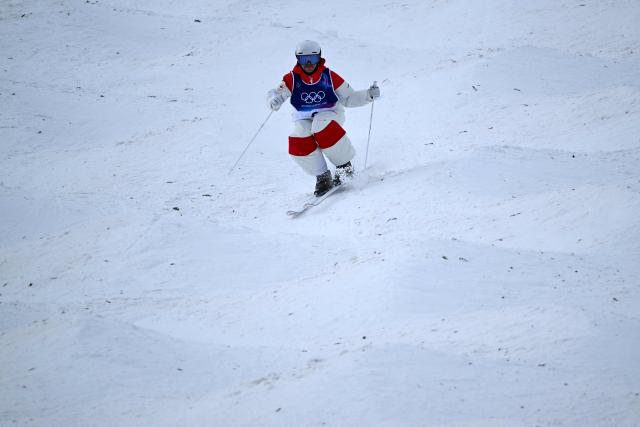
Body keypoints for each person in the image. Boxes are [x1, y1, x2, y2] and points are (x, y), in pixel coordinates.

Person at [267, 40, 380, 196]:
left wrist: (368, 95)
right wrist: (274, 100)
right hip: (304, 117)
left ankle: (344, 167)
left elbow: (349, 98)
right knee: (297, 139)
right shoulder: (291, 79)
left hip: (330, 113)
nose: (308, 64)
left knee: (321, 127)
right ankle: (323, 176)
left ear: (319, 58)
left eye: (312, 59)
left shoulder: (329, 77)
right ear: (297, 60)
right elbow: (275, 93)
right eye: (303, 59)